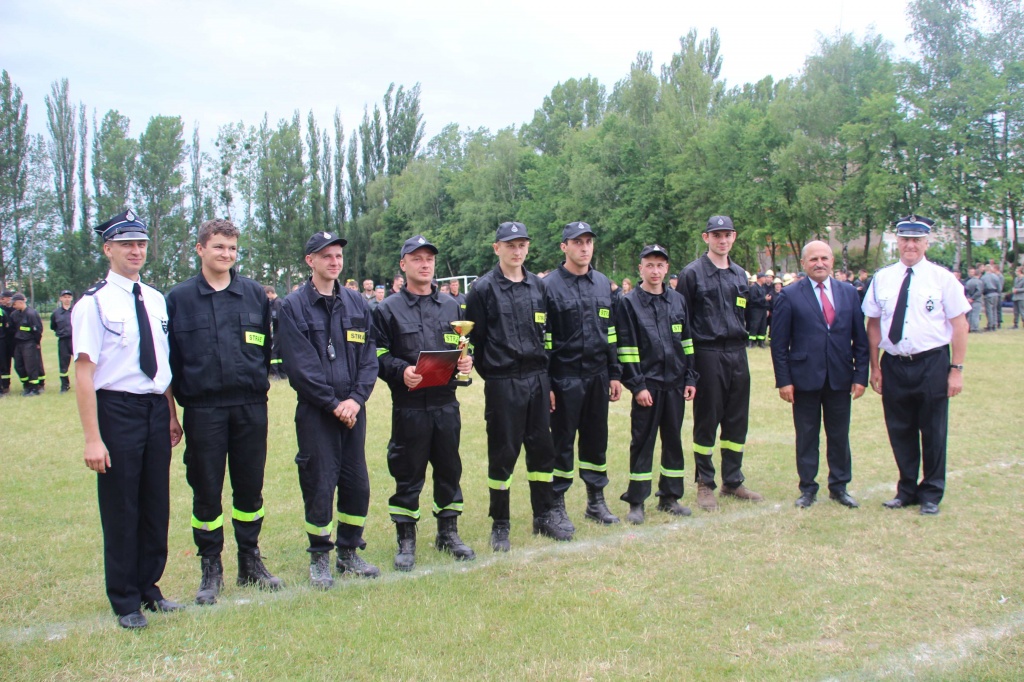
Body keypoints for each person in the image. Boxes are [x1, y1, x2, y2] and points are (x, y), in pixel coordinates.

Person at [71, 209, 183, 629]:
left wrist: (170, 413)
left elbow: (162, 363)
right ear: (108, 249)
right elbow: (84, 373)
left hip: (155, 408)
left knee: (155, 502)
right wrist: (92, 438)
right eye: (126, 244)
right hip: (116, 409)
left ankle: (149, 587)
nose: (136, 251)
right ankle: (124, 599)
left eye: (140, 244)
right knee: (122, 505)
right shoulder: (93, 303)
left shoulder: (154, 299)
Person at [166, 219, 283, 606]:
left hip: (250, 407)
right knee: (206, 491)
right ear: (200, 249)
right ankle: (211, 566)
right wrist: (172, 414)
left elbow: (264, 350)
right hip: (204, 410)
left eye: (232, 248)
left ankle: (250, 561)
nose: (227, 254)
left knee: (250, 487)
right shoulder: (179, 299)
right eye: (219, 247)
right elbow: (168, 365)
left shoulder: (254, 294)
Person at [277, 230, 380, 588]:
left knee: (356, 483)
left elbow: (369, 357)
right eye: (326, 256)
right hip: (317, 413)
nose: (334, 262)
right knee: (319, 483)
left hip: (353, 410)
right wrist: (333, 404)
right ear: (310, 261)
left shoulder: (356, 303)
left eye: (338, 256)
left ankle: (349, 552)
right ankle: (320, 556)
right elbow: (300, 367)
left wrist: (356, 399)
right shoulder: (292, 307)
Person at [372, 235, 476, 571]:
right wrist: (400, 371)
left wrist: (466, 360)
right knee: (408, 472)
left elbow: (463, 345)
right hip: (410, 407)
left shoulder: (451, 306)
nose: (425, 264)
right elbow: (377, 353)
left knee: (449, 470)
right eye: (417, 258)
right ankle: (406, 540)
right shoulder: (387, 309)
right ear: (403, 265)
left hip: (446, 405)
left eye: (429, 258)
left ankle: (448, 533)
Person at [464, 221, 570, 551]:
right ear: (497, 248)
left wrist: (546, 380)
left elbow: (547, 336)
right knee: (503, 454)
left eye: (522, 244)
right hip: (503, 382)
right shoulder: (482, 289)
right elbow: (476, 341)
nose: (517, 251)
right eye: (510, 245)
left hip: (537, 379)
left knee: (542, 451)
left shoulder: (538, 286)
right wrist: (497, 376)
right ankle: (500, 524)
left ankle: (544, 515)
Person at [862, 215, 970, 516]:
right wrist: (875, 367)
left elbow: (960, 325)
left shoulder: (942, 279)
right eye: (905, 239)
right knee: (900, 429)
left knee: (933, 430)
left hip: (931, 363)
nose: (910, 245)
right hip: (895, 364)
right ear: (897, 242)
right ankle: (906, 490)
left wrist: (956, 369)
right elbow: (873, 324)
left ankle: (931, 493)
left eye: (916, 240)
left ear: (926, 243)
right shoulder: (883, 278)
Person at [769, 241, 868, 509]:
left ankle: (839, 486)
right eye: (813, 259)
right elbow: (779, 344)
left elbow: (860, 338)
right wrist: (784, 381)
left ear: (832, 261)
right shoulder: (789, 295)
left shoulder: (849, 293)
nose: (819, 263)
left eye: (824, 258)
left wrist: (861, 376)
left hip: (840, 377)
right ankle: (808, 488)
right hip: (804, 379)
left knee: (839, 435)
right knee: (807, 436)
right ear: (803, 263)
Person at [677, 216, 764, 511]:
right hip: (707, 352)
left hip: (737, 352)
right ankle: (705, 483)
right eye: (716, 235)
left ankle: (733, 480)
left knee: (737, 419)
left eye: (727, 235)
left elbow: (743, 313)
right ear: (706, 238)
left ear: (734, 237)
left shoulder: (740, 274)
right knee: (707, 419)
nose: (722, 240)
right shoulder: (692, 274)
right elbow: (683, 321)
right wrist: (689, 366)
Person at [543, 221, 622, 527]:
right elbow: (543, 340)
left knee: (596, 440)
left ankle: (596, 501)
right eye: (577, 242)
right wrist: (548, 383)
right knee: (561, 443)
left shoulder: (603, 283)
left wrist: (614, 373)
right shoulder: (549, 286)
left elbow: (611, 333)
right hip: (564, 377)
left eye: (588, 241)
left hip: (597, 376)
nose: (584, 247)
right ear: (564, 247)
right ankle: (556, 504)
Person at [616, 244, 697, 523]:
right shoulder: (628, 303)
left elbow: (687, 341)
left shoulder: (678, 300)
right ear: (640, 268)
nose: (655, 271)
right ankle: (637, 501)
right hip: (647, 386)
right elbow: (626, 348)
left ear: (667, 269)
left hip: (675, 383)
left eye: (660, 265)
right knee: (643, 442)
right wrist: (637, 385)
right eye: (649, 265)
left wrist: (690, 377)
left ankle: (670, 497)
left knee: (673, 440)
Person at [10, 293, 44, 395]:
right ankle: (27, 386)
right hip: (19, 343)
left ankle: (35, 388)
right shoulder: (14, 314)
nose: (13, 306)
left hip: (29, 343)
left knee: (31, 366)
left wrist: (37, 342)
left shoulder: (31, 314)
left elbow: (38, 330)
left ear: (20, 302)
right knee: (18, 365)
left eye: (14, 304)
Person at [51, 289, 74, 392]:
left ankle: (83, 383)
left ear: (71, 298)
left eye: (69, 297)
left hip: (75, 340)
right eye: (65, 297)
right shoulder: (56, 313)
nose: (67, 299)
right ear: (61, 299)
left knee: (81, 363)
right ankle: (65, 386)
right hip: (63, 341)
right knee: (63, 364)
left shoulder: (76, 311)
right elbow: (53, 326)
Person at [264, 285, 287, 379]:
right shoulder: (279, 302)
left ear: (270, 293)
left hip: (278, 331)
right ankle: (282, 373)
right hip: (281, 331)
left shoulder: (276, 303)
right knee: (280, 352)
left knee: (274, 351)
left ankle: (275, 373)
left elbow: (276, 318)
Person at [746, 273, 770, 348]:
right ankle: (751, 342)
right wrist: (764, 299)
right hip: (756, 310)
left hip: (763, 309)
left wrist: (767, 309)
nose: (765, 279)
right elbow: (753, 300)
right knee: (754, 325)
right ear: (759, 278)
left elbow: (765, 300)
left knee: (763, 326)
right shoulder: (754, 288)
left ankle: (761, 342)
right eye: (764, 277)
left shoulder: (763, 288)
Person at [981, 264, 1003, 331]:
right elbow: (999, 287)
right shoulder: (996, 276)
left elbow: (982, 287)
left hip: (988, 294)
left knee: (989, 310)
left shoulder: (983, 277)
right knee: (994, 310)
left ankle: (990, 325)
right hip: (995, 294)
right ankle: (994, 324)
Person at [0, 290, 13, 395]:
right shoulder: (2, 310)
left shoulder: (13, 309)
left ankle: (5, 386)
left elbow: (7, 327)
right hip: (3, 340)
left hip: (8, 340)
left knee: (6, 364)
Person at [963, 268, 984, 333]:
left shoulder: (969, 281)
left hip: (969, 300)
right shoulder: (979, 282)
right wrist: (973, 298)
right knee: (975, 314)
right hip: (976, 300)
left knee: (970, 315)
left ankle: (969, 327)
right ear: (980, 274)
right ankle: (974, 328)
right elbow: (979, 291)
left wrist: (969, 298)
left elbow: (966, 291)